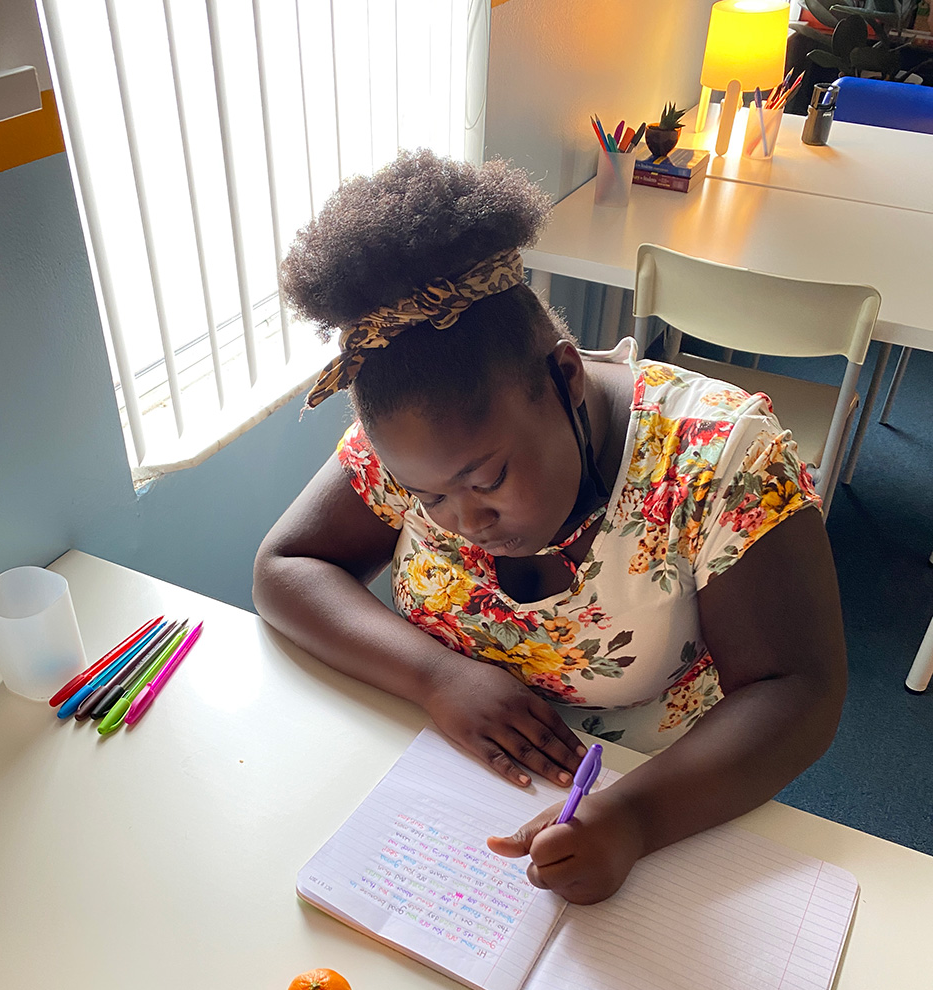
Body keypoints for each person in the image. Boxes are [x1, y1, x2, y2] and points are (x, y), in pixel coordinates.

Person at [254, 150, 846, 905]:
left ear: (566, 376)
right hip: (442, 786)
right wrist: (437, 676)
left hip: (661, 793)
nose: (462, 523)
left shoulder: (717, 456)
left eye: (487, 479)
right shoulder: (417, 443)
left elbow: (800, 692)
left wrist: (632, 817)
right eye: (424, 496)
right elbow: (286, 565)